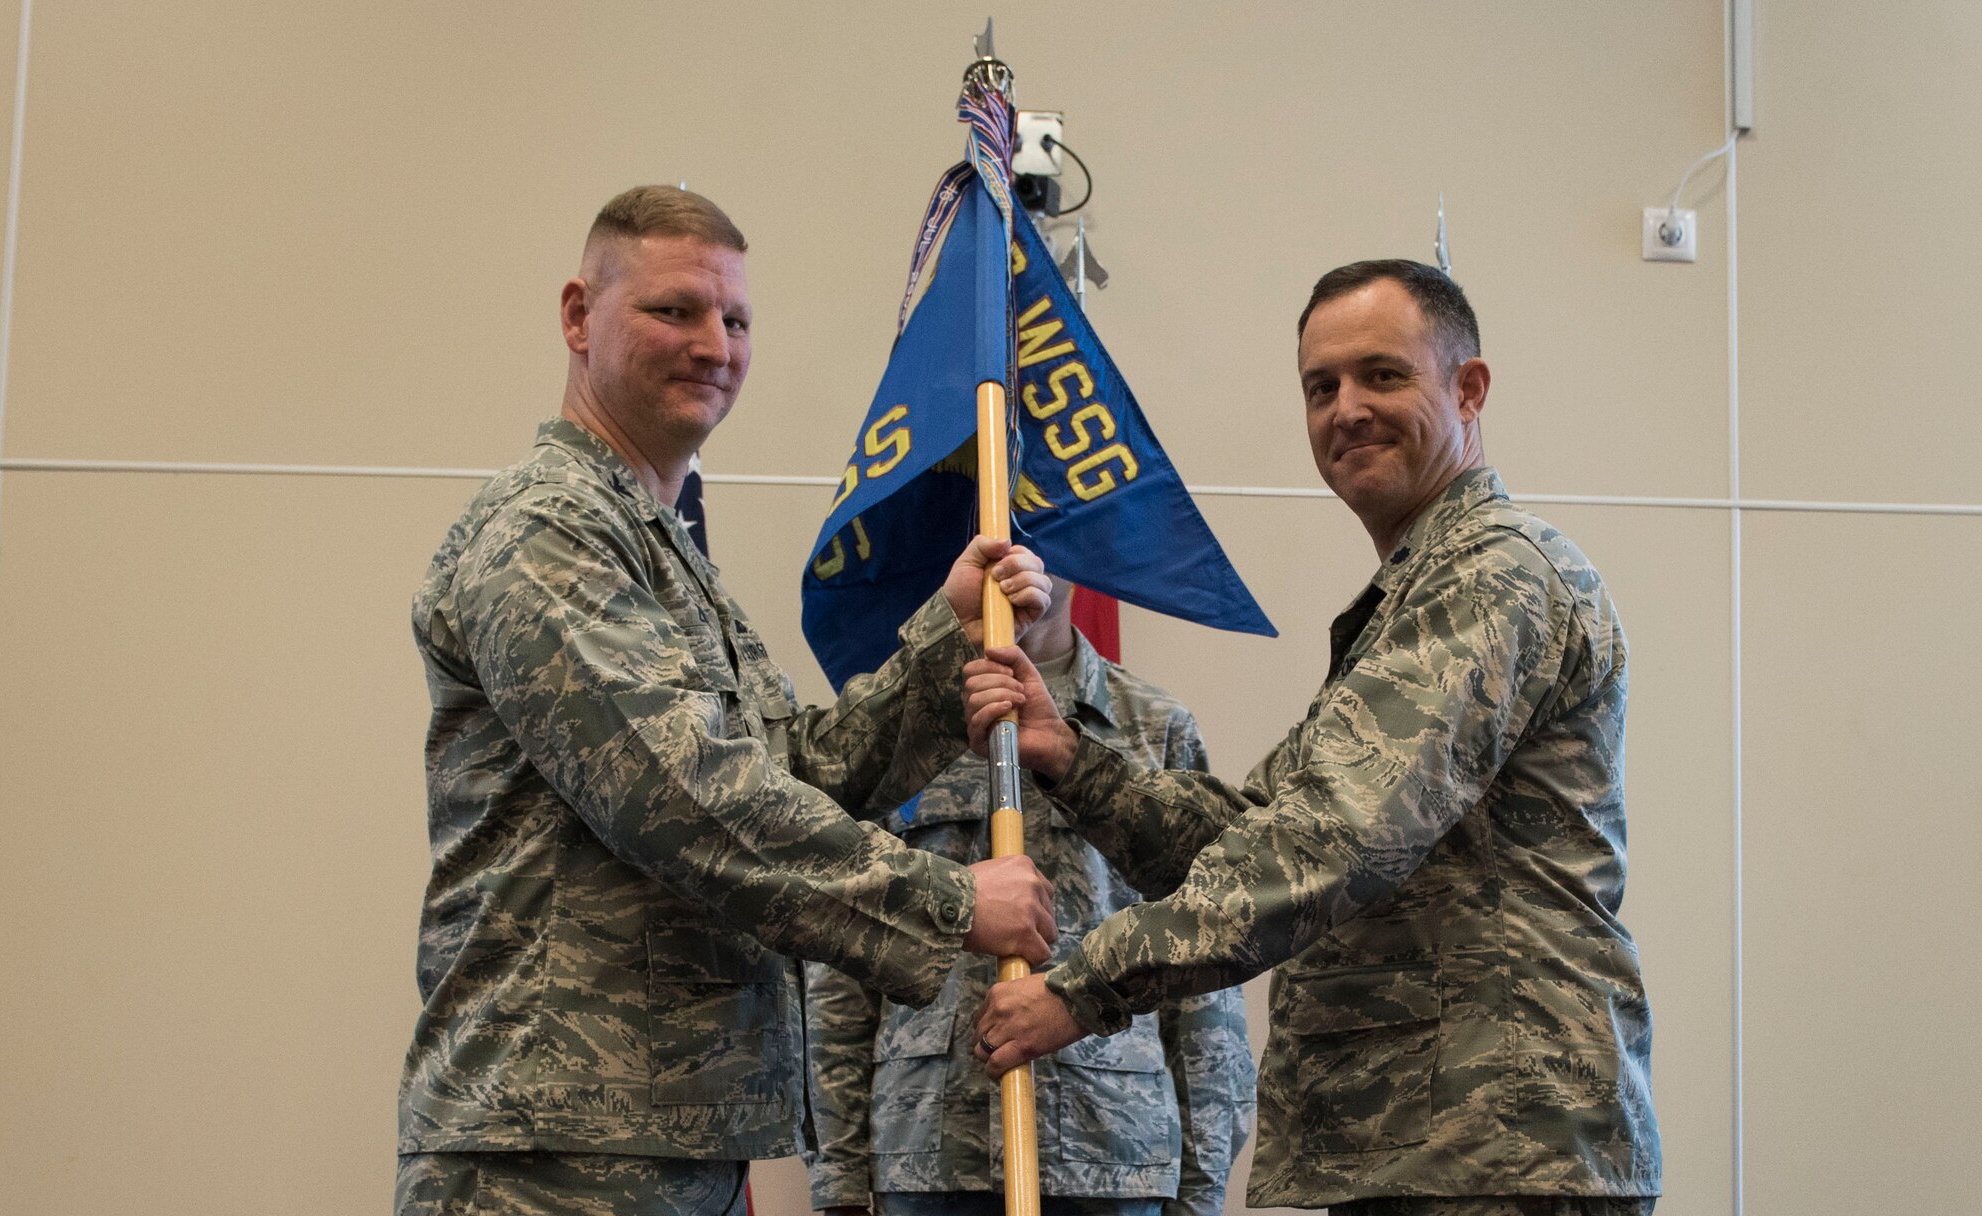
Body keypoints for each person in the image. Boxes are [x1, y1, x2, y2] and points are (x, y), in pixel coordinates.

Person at [394, 185, 1061, 1216]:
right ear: (578, 315)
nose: (713, 344)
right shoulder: (547, 531)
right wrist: (949, 901)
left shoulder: (659, 547)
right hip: (552, 1152)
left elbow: (793, 773)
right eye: (674, 310)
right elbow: (683, 798)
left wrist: (947, 635)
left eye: (735, 319)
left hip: (663, 1135)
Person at [965, 260, 1662, 1216]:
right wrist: (1070, 755)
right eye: (1320, 387)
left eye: (1384, 375)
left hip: (1498, 1148)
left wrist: (1082, 989)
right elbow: (1253, 830)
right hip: (1425, 1144)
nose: (1347, 410)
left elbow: (1332, 839)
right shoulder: (1411, 598)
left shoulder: (1497, 578)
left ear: (1469, 389)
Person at [803, 580, 1256, 1216]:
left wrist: (1203, 1182)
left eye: (1036, 519)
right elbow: (842, 961)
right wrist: (839, 1180)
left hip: (1113, 1155)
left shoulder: (1152, 728)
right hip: (927, 1154)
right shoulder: (899, 732)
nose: (1015, 545)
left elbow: (1205, 963)